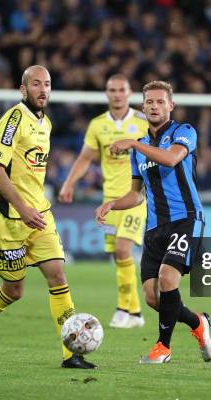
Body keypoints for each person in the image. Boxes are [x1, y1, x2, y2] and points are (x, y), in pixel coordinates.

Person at [0, 65, 95, 369]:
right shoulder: (13, 119)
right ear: (23, 90)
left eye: (47, 84)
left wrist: (33, 209)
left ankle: (70, 353)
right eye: (36, 84)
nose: (43, 90)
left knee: (58, 275)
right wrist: (23, 209)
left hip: (40, 215)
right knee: (14, 291)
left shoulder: (45, 123)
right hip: (9, 220)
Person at [95, 81, 211, 364]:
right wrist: (112, 204)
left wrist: (134, 142)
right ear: (143, 106)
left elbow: (172, 159)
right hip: (154, 227)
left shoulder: (184, 132)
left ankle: (163, 347)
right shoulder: (140, 149)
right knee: (152, 297)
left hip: (186, 219)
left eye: (160, 101)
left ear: (170, 106)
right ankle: (198, 323)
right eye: (149, 102)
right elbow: (136, 195)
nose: (154, 106)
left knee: (168, 277)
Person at [58, 74, 148, 329]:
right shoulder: (98, 125)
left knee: (123, 249)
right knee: (118, 256)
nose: (117, 94)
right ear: (107, 93)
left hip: (136, 197)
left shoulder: (142, 123)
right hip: (109, 200)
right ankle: (136, 312)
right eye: (112, 90)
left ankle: (123, 308)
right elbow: (85, 158)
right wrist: (69, 182)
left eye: (121, 90)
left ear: (129, 93)